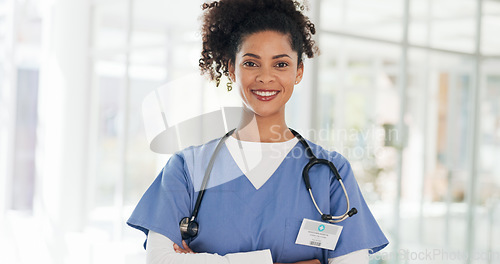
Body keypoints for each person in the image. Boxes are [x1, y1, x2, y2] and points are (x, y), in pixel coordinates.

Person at [127, 0, 389, 263]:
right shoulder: (186, 169)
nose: (265, 77)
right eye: (251, 63)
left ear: (299, 71)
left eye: (281, 64)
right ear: (231, 68)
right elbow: (160, 260)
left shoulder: (331, 172)